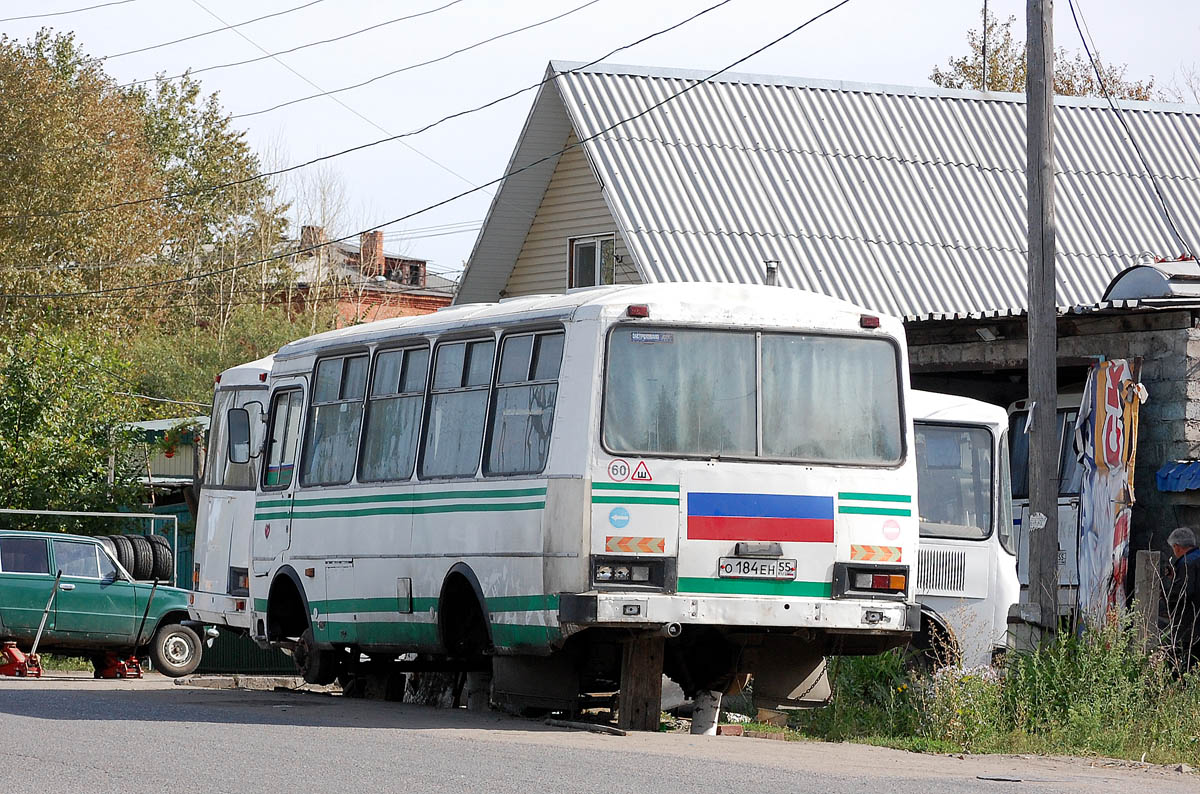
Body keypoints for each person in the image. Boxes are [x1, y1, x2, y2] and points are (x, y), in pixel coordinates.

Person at [1164, 527, 1200, 673]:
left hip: (1190, 626)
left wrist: (1166, 599)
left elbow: (1182, 594)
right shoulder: (1196, 558)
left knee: (1183, 667)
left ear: (1177, 547)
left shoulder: (1186, 564)